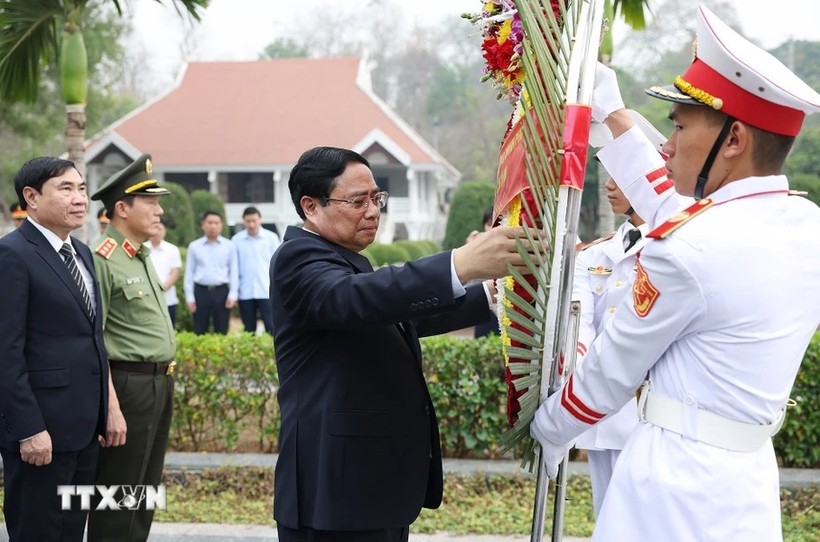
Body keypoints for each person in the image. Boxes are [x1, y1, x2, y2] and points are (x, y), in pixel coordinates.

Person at [530, 6, 820, 541]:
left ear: (732, 141)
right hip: (748, 479)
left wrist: (545, 428)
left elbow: (609, 375)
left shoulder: (689, 251)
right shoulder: (804, 225)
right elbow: (674, 212)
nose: (668, 143)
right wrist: (612, 114)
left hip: (669, 488)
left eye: (681, 126)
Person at [271, 146, 534, 542]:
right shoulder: (298, 259)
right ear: (311, 206)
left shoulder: (341, 259)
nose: (373, 211)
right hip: (333, 491)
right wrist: (460, 263)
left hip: (368, 484)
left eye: (377, 199)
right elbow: (362, 299)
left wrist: (489, 295)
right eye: (358, 201)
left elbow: (397, 315)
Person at [0, 157, 116, 541]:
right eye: (65, 189)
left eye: (81, 189)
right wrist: (29, 428)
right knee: (38, 532)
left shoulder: (81, 253)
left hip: (83, 431)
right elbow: (6, 352)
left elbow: (92, 338)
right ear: (31, 198)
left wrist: (105, 412)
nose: (79, 198)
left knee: (71, 532)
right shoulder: (13, 254)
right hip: (41, 433)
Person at [86, 153, 176, 541]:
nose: (159, 211)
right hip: (128, 386)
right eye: (150, 202)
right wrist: (111, 406)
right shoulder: (102, 259)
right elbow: (94, 339)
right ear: (121, 208)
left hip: (158, 383)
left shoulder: (139, 255)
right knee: (120, 487)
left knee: (144, 485)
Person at [184, 211, 238, 334]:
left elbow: (234, 271)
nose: (213, 226)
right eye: (209, 222)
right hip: (201, 291)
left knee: (222, 329)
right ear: (203, 225)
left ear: (221, 225)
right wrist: (189, 296)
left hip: (221, 291)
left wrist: (233, 294)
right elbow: (189, 273)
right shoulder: (194, 246)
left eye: (216, 223)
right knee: (199, 329)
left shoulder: (229, 246)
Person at [232, 206, 280, 334]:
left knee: (272, 327)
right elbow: (234, 268)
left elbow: (278, 265)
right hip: (245, 291)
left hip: (266, 290)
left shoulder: (271, 238)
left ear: (260, 219)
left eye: (254, 220)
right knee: (248, 329)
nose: (251, 224)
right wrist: (234, 292)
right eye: (248, 221)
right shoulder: (236, 240)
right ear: (243, 221)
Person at [469, 205, 500, 338]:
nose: (491, 228)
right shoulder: (475, 248)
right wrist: (470, 250)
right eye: (488, 224)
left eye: (496, 224)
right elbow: (470, 287)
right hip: (485, 312)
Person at [147, 221, 182, 324]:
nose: (157, 232)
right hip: (147, 299)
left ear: (165, 231)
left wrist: (162, 288)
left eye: (160, 229)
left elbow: (175, 273)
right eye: (154, 228)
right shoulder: (141, 248)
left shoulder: (172, 249)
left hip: (168, 299)